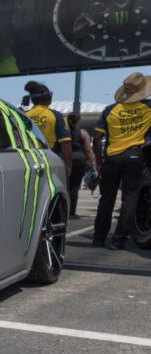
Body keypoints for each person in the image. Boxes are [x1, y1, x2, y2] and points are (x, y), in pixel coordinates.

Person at [93, 71, 151, 250]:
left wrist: (99, 161)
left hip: (111, 157)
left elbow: (96, 138)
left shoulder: (110, 109)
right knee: (129, 199)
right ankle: (118, 239)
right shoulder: (148, 107)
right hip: (135, 156)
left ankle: (99, 238)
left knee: (106, 199)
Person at [23, 81, 73, 178]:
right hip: (50, 161)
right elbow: (66, 143)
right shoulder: (56, 116)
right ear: (48, 97)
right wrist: (68, 166)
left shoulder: (23, 116)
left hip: (28, 161)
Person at [66, 112, 97, 218]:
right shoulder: (83, 133)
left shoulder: (64, 133)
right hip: (79, 160)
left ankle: (63, 209)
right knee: (75, 186)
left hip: (66, 159)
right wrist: (93, 163)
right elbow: (88, 150)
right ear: (79, 121)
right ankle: (72, 211)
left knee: (65, 185)